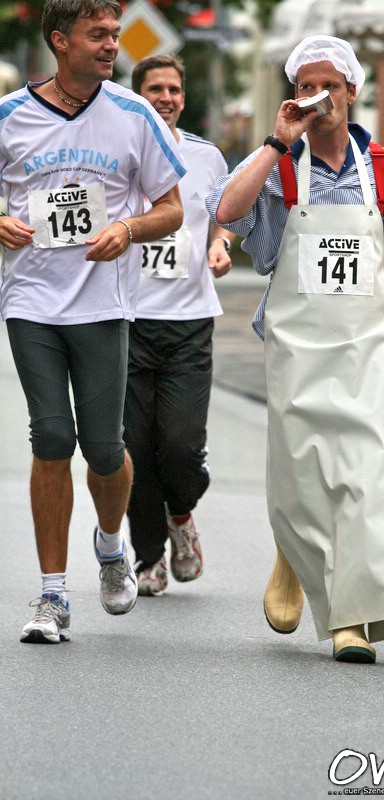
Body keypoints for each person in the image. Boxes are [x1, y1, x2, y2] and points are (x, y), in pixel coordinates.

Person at [206, 35, 384, 664]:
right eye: (305, 85)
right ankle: (292, 556)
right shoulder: (280, 165)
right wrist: (275, 142)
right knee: (301, 475)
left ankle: (353, 619)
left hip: (365, 344)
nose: (318, 97)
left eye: (331, 85)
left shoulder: (381, 167)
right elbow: (227, 210)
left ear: (352, 93)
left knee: (367, 475)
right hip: (297, 344)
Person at [0, 0, 186, 644]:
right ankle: (53, 595)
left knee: (104, 449)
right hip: (30, 302)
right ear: (60, 40)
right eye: (97, 34)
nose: (111, 45)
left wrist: (127, 227)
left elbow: (173, 209)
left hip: (104, 304)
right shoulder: (10, 116)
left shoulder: (134, 115)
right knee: (50, 436)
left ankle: (111, 545)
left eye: (114, 34)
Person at [124, 54, 234, 596]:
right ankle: (148, 559)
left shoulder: (207, 157)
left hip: (189, 321)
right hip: (124, 319)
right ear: (136, 95)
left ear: (183, 98)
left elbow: (225, 216)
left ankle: (182, 515)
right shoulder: (117, 152)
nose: (165, 97)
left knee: (182, 445)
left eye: (173, 89)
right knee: (133, 448)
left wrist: (219, 243)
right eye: (154, 89)